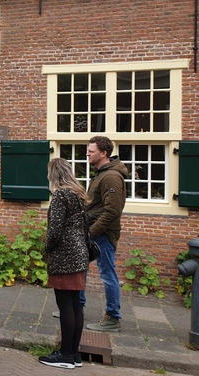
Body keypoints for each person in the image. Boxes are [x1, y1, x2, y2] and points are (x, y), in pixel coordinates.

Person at [39, 158, 89, 369]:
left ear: (54, 174)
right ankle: (74, 353)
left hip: (65, 255)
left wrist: (47, 248)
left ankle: (66, 355)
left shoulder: (60, 195)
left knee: (65, 305)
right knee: (76, 304)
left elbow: (55, 230)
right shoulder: (78, 194)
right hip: (79, 253)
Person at [83, 135, 128, 332]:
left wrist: (91, 232)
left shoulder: (110, 176)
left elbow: (112, 212)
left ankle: (112, 317)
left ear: (103, 153)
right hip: (93, 230)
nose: (87, 154)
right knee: (80, 266)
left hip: (102, 234)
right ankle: (76, 305)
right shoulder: (101, 173)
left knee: (108, 274)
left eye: (91, 151)